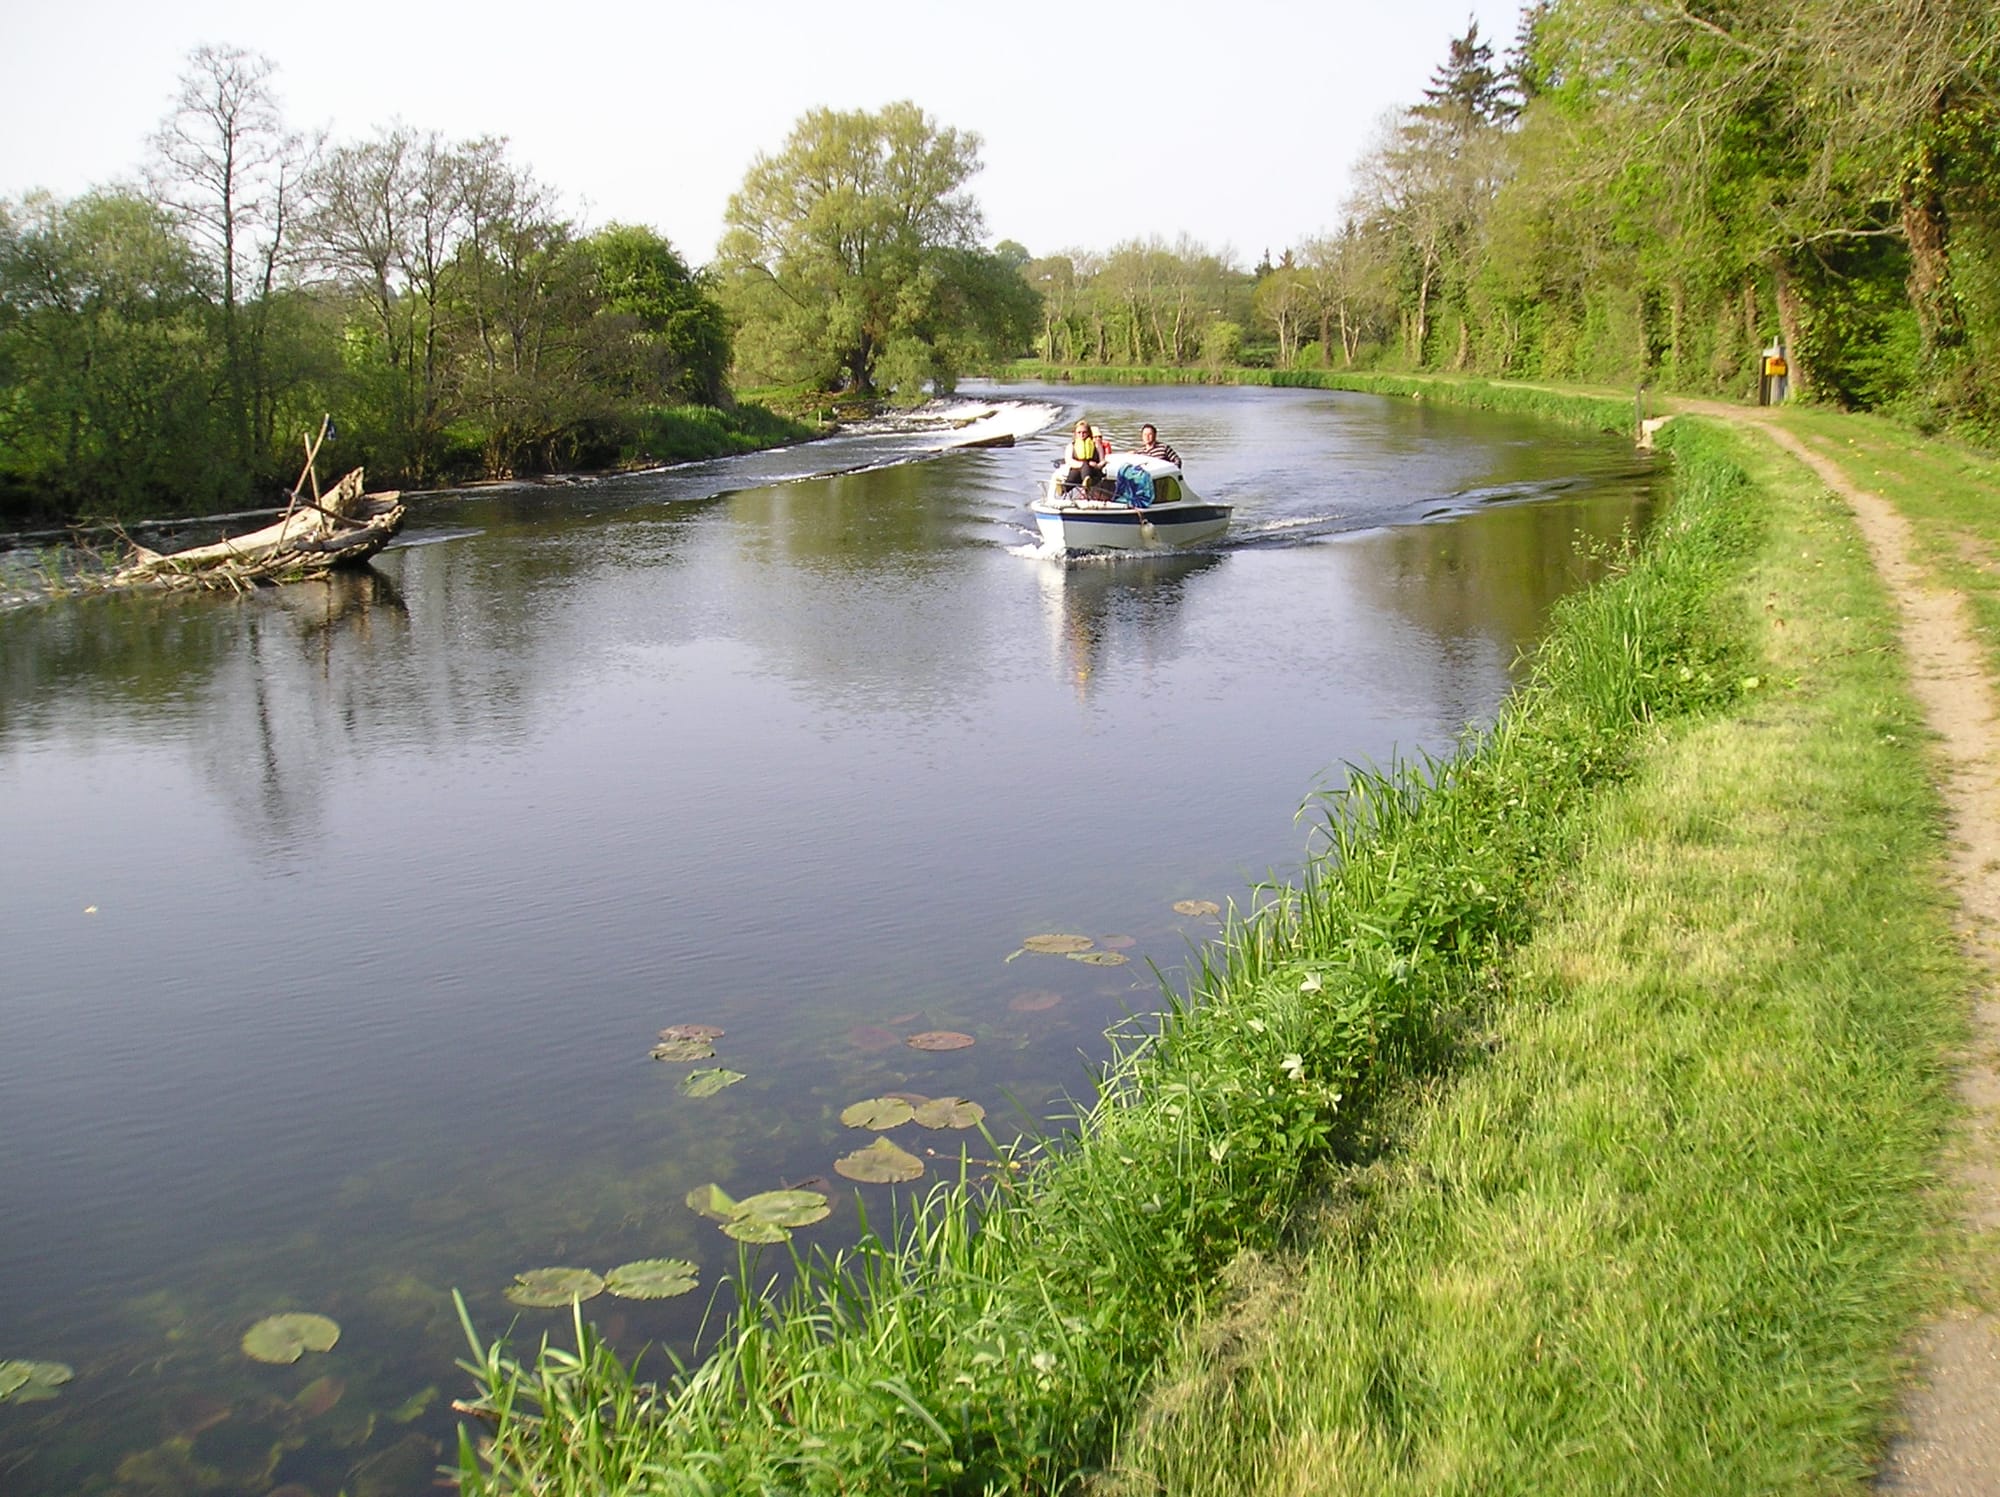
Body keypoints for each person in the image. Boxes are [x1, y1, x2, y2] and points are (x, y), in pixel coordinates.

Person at [1062, 419, 1107, 492]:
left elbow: (1103, 461)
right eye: (1079, 432)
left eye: (1084, 432)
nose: (1081, 435)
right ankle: (1064, 488)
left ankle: (1066, 488)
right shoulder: (1071, 446)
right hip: (1077, 470)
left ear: (1089, 433)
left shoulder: (1096, 445)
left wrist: (1097, 465)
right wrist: (1083, 465)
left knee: (1085, 467)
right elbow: (1069, 461)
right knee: (1077, 471)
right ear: (1075, 433)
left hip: (1094, 472)